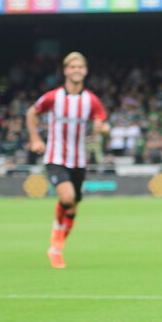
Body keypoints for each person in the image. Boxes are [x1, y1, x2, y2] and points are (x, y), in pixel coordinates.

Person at [26, 52, 109, 268]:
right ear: (65, 70)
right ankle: (56, 241)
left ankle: (56, 249)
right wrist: (35, 138)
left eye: (80, 67)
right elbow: (31, 113)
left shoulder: (91, 100)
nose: (76, 70)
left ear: (85, 71)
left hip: (79, 160)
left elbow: (105, 126)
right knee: (67, 197)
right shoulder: (53, 97)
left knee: (72, 208)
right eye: (72, 67)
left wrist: (104, 129)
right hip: (55, 157)